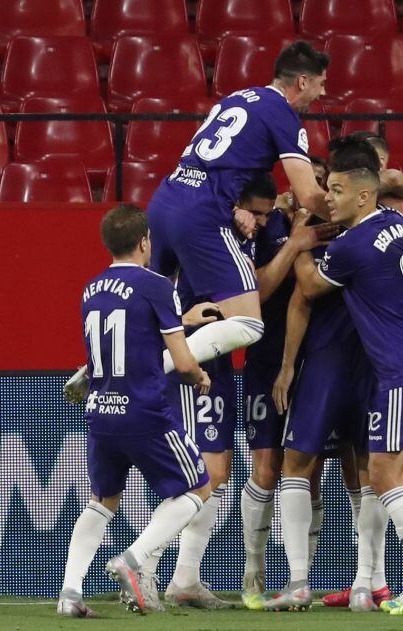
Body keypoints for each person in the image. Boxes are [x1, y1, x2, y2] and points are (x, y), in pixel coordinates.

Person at [60, 41, 333, 403]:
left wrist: (238, 205)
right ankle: (151, 366)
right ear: (302, 81)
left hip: (165, 200)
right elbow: (310, 194)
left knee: (148, 306)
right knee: (249, 324)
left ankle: (100, 366)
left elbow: (222, 157)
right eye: (321, 83)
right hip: (202, 214)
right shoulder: (283, 113)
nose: (323, 92)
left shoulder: (236, 98)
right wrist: (361, 216)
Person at [140, 177, 334, 609]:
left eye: (268, 215)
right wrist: (294, 244)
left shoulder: (236, 235)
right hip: (191, 354)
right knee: (201, 475)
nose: (262, 223)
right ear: (235, 205)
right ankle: (143, 563)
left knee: (215, 474)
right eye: (257, 213)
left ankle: (184, 577)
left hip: (218, 358)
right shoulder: (211, 239)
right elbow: (256, 297)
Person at [293, 136, 403, 616]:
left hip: (401, 371)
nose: (329, 198)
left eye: (338, 190)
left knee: (384, 474)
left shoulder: (350, 245)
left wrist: (300, 243)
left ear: (364, 194)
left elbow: (308, 286)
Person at [58, 204, 214, 617]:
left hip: (101, 411)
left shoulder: (91, 288)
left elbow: (121, 339)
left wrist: (182, 319)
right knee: (198, 487)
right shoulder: (158, 285)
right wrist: (199, 374)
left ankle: (70, 594)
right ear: (146, 242)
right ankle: (131, 560)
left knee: (102, 500)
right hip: (143, 411)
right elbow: (182, 363)